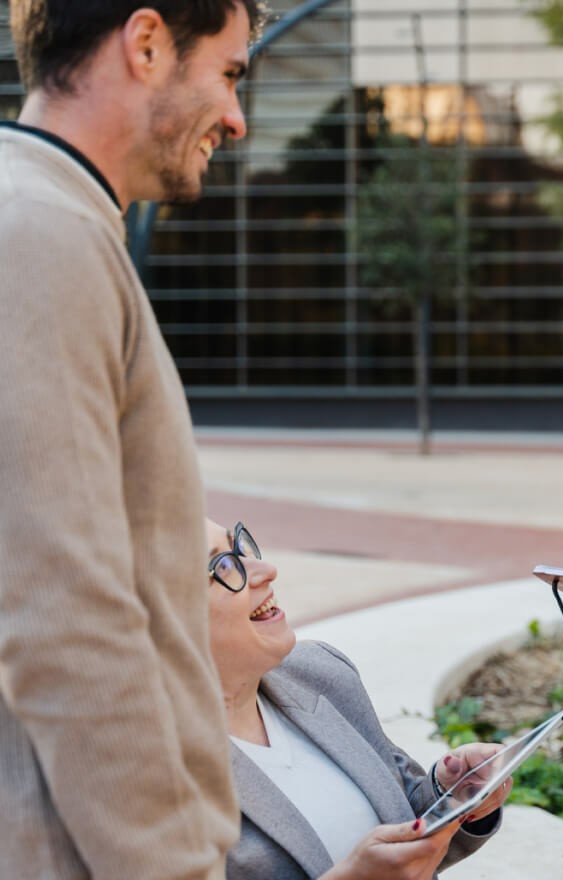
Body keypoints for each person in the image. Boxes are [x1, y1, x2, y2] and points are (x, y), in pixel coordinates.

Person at [0, 2, 261, 876]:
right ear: (146, 43)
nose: (236, 117)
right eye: (227, 73)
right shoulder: (41, 235)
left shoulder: (41, 218)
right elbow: (60, 612)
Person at [203, 518, 510, 879]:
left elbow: (402, 815)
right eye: (223, 566)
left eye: (240, 547)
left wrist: (455, 797)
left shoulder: (319, 673)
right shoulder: (145, 776)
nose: (266, 570)